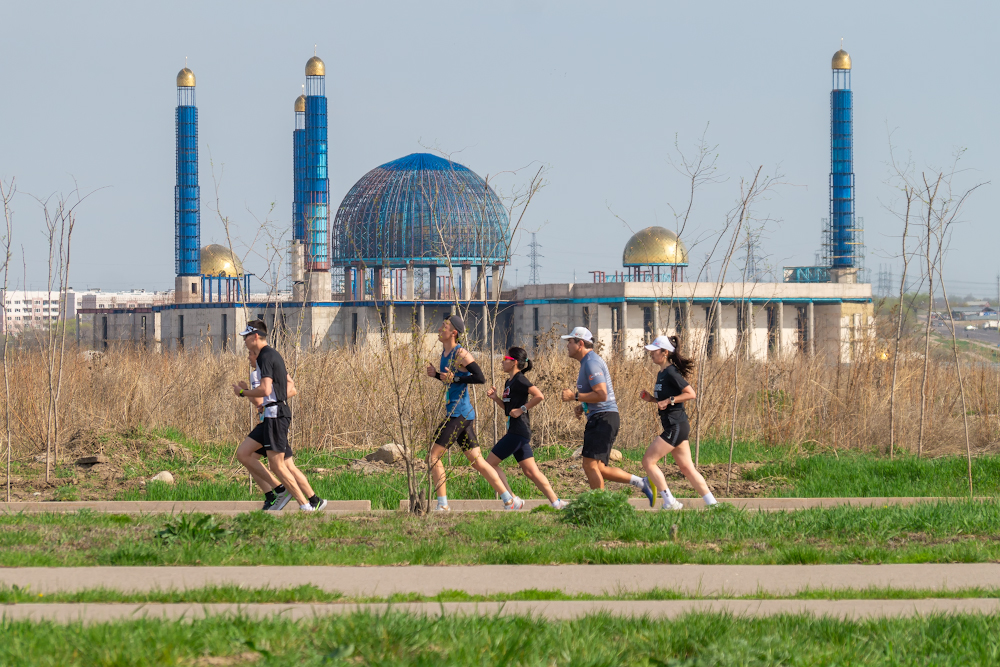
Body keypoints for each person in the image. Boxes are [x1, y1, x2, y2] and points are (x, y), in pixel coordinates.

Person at [424, 314, 522, 511]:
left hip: (458, 414)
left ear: (454, 333)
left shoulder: (460, 353)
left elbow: (479, 377)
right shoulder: (445, 353)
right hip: (462, 414)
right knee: (478, 462)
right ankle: (511, 501)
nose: (440, 329)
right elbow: (451, 379)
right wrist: (436, 375)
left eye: (444, 326)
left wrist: (455, 379)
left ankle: (442, 505)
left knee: (433, 457)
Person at [559, 327, 655, 503]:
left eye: (570, 341)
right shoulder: (587, 362)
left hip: (603, 418)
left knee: (588, 465)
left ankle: (600, 506)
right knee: (599, 468)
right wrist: (583, 405)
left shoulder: (591, 362)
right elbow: (598, 395)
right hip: (602, 416)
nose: (567, 345)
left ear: (580, 344)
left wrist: (575, 396)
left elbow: (602, 394)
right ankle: (642, 483)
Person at [231, 320, 314, 512]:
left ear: (256, 336)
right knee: (244, 453)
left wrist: (243, 393)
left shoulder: (265, 356)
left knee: (278, 466)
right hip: (271, 415)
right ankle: (280, 490)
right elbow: (287, 386)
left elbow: (265, 389)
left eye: (246, 337)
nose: (244, 341)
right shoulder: (269, 355)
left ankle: (304, 504)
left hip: (275, 415)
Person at [239, 346, 327, 511]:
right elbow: (291, 387)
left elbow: (261, 401)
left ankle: (279, 492)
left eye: (250, 354)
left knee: (256, 458)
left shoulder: (259, 373)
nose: (248, 358)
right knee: (285, 464)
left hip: (271, 422)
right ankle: (313, 499)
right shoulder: (272, 369)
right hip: (273, 420)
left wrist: (245, 392)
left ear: (258, 355)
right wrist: (273, 399)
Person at [639, 335, 717, 510]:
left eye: (654, 351)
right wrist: (652, 399)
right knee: (687, 468)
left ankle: (670, 502)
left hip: (676, 425)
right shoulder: (661, 373)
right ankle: (713, 504)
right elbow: (664, 400)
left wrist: (669, 400)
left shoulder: (671, 372)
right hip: (675, 425)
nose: (650, 354)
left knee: (648, 462)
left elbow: (691, 393)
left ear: (665, 353)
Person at [485, 346, 567, 509]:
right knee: (531, 472)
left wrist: (523, 409)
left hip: (518, 431)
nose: (502, 362)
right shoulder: (509, 381)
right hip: (516, 431)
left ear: (514, 362)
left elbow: (539, 395)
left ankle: (512, 499)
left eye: (505, 359)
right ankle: (556, 502)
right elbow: (509, 410)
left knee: (489, 464)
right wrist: (495, 399)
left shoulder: (520, 379)